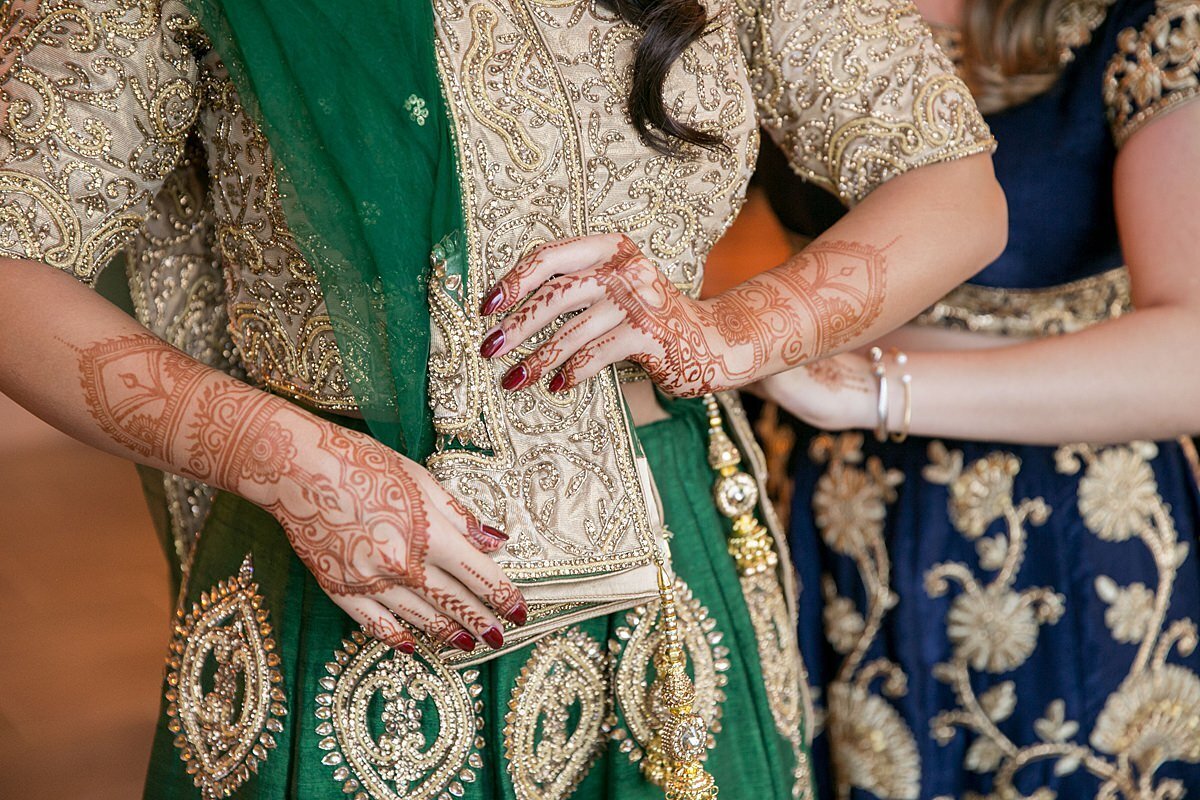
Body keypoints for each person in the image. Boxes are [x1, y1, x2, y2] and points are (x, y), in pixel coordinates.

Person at [0, 0, 1004, 797]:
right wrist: (276, 455)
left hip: (666, 566)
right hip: (345, 556)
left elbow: (954, 187)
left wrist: (733, 329)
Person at [754, 0, 1200, 796]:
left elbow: (1190, 355)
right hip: (828, 518)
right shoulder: (770, 10)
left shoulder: (1147, 18)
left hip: (1073, 532)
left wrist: (877, 389)